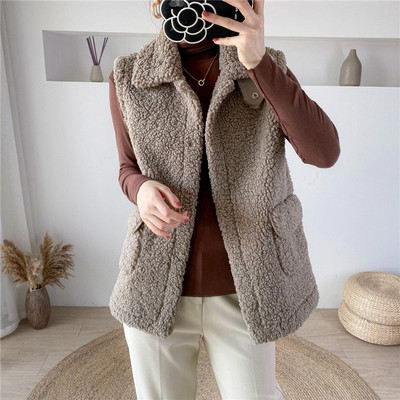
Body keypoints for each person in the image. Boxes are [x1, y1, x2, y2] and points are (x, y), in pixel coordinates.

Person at [108, 1, 340, 399]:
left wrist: (260, 63)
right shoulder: (129, 75)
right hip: (155, 281)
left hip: (247, 287)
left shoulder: (265, 66)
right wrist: (140, 189)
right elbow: (127, 168)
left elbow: (324, 152)